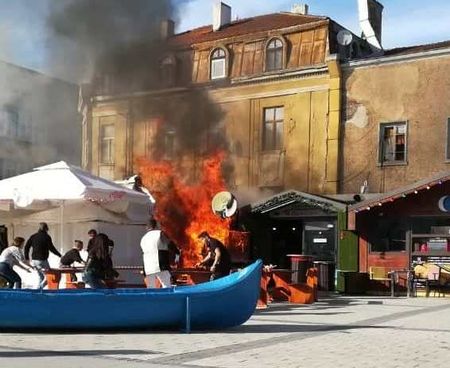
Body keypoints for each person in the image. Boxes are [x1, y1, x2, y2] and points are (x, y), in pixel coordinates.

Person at [24, 222, 61, 289]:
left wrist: (26, 258)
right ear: (46, 229)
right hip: (42, 260)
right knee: (49, 276)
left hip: (34, 260)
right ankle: (38, 289)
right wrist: (59, 255)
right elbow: (51, 248)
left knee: (41, 277)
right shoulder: (46, 237)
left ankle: (39, 292)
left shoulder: (33, 236)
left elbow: (26, 247)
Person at [140, 219, 175, 288]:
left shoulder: (143, 238)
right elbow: (170, 245)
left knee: (151, 288)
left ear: (147, 227)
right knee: (166, 286)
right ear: (156, 225)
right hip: (161, 265)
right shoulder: (160, 233)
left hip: (148, 267)